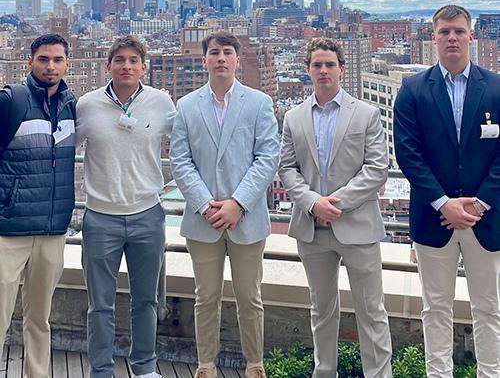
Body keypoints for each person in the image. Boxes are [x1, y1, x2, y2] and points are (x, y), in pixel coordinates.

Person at [394, 4, 500, 377]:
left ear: (471, 35)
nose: (451, 38)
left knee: (490, 308)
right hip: (433, 216)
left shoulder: (497, 88)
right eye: (444, 32)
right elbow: (407, 152)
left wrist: (481, 202)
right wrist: (444, 203)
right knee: (435, 307)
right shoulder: (413, 89)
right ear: (433, 37)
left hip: (486, 220)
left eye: (458, 31)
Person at [279, 37, 392, 378]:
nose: (324, 70)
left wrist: (335, 204)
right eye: (317, 65)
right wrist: (314, 204)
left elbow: (377, 168)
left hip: (357, 226)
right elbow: (286, 168)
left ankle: (379, 374)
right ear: (308, 70)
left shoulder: (367, 114)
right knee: (321, 310)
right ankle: (324, 372)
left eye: (330, 64)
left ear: (342, 69)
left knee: (371, 311)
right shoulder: (293, 116)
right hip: (312, 231)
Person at [169, 30, 279, 378]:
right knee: (206, 298)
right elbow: (180, 161)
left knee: (250, 298)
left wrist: (238, 203)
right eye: (214, 52)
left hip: (246, 219)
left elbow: (267, 157)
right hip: (203, 221)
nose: (220, 58)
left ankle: (255, 365)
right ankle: (206, 364)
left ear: (236, 59)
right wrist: (205, 204)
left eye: (227, 52)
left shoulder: (259, 103)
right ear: (205, 60)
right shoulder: (186, 106)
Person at [76, 35, 176, 378]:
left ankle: (145, 367)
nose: (126, 65)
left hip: (147, 214)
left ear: (144, 67)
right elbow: (60, 148)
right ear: (108, 66)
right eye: (119, 59)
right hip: (100, 217)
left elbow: (187, 144)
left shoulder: (161, 103)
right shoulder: (86, 105)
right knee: (99, 306)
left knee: (146, 300)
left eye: (134, 60)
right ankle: (101, 370)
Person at [0, 33, 76, 378]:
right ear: (30, 62)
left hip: (51, 230)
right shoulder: (10, 101)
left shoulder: (71, 106)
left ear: (67, 64)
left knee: (40, 320)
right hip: (9, 230)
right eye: (44, 59)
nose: (50, 66)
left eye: (57, 60)